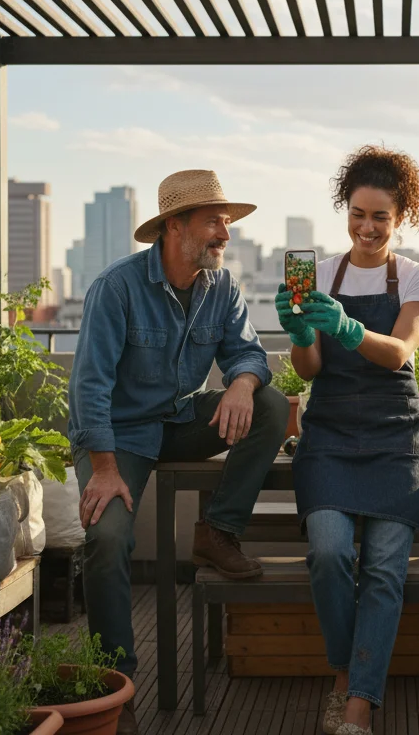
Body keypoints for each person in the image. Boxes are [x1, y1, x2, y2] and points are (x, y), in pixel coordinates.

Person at [68, 169, 289, 734]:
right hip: (119, 438)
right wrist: (102, 469)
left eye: (227, 222)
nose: (226, 234)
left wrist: (241, 382)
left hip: (182, 420)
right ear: (175, 225)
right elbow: (88, 385)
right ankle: (116, 690)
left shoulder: (223, 288)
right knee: (108, 535)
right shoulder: (116, 288)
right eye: (215, 222)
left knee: (269, 404)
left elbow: (251, 355)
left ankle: (217, 531)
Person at [279, 146, 419, 735]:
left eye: (380, 217)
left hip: (397, 439)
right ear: (344, 211)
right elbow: (309, 371)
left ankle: (356, 704)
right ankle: (347, 673)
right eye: (357, 214)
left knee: (383, 566)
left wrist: (347, 325)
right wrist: (300, 332)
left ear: (401, 217)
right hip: (330, 434)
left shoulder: (417, 278)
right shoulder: (320, 275)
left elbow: (399, 353)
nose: (367, 228)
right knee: (328, 551)